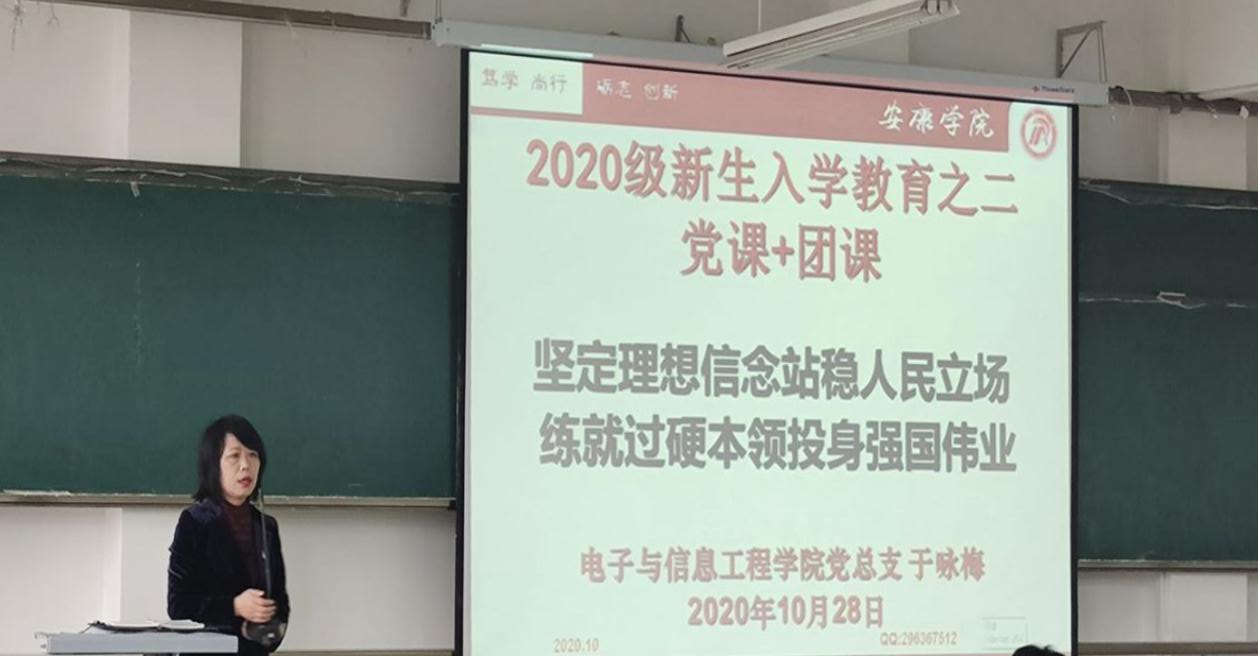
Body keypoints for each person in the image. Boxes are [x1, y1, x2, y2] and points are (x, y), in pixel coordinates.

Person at [167, 415, 290, 656]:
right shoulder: (195, 521)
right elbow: (179, 605)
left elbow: (280, 602)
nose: (246, 465)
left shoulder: (267, 526)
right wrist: (234, 606)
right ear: (214, 465)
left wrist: (268, 631)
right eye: (234, 456)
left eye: (253, 455)